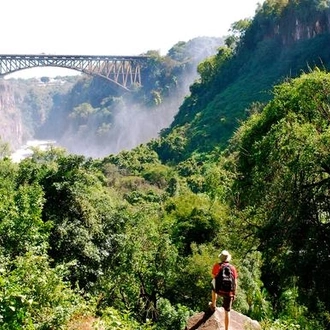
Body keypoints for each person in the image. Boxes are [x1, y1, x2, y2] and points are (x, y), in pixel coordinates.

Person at [210, 250, 238, 330]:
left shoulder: (217, 266)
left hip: (219, 290)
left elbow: (213, 278)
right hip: (229, 292)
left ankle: (213, 305)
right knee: (227, 311)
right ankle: (226, 329)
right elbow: (235, 283)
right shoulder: (232, 268)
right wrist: (234, 294)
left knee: (213, 284)